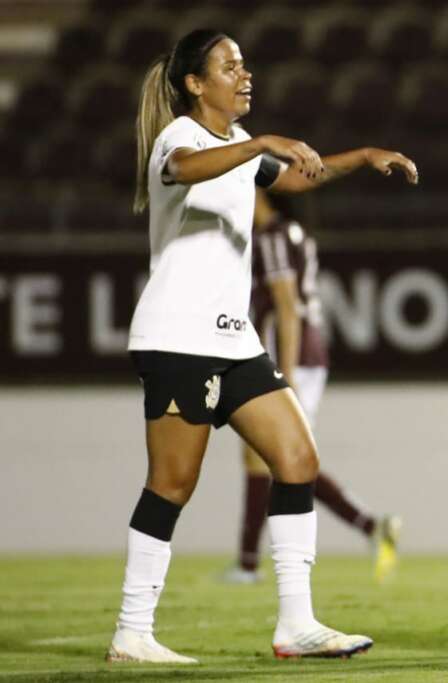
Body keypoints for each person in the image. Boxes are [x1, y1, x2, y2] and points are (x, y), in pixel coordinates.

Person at [107, 29, 417, 664]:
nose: (244, 74)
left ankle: (296, 625)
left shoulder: (238, 150)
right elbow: (183, 170)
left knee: (297, 458)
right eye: (229, 66)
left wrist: (362, 155)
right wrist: (262, 142)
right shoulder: (183, 137)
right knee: (172, 484)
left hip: (232, 337)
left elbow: (299, 179)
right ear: (197, 84)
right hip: (177, 337)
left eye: (245, 64)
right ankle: (132, 633)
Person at [224, 189, 400, 586]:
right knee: (284, 456)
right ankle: (371, 526)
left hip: (291, 355)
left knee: (265, 456)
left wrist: (282, 374)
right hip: (311, 353)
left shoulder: (270, 236)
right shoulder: (294, 232)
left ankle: (247, 565)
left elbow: (286, 307)